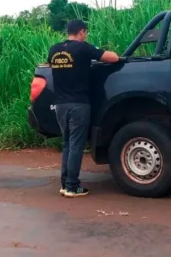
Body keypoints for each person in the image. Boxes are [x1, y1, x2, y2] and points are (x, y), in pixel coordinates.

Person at [48, 19, 120, 198]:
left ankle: (65, 184)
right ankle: (73, 186)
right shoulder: (83, 47)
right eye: (85, 32)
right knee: (76, 145)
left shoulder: (54, 50)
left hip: (60, 105)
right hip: (78, 104)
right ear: (81, 32)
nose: (85, 35)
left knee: (66, 144)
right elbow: (113, 58)